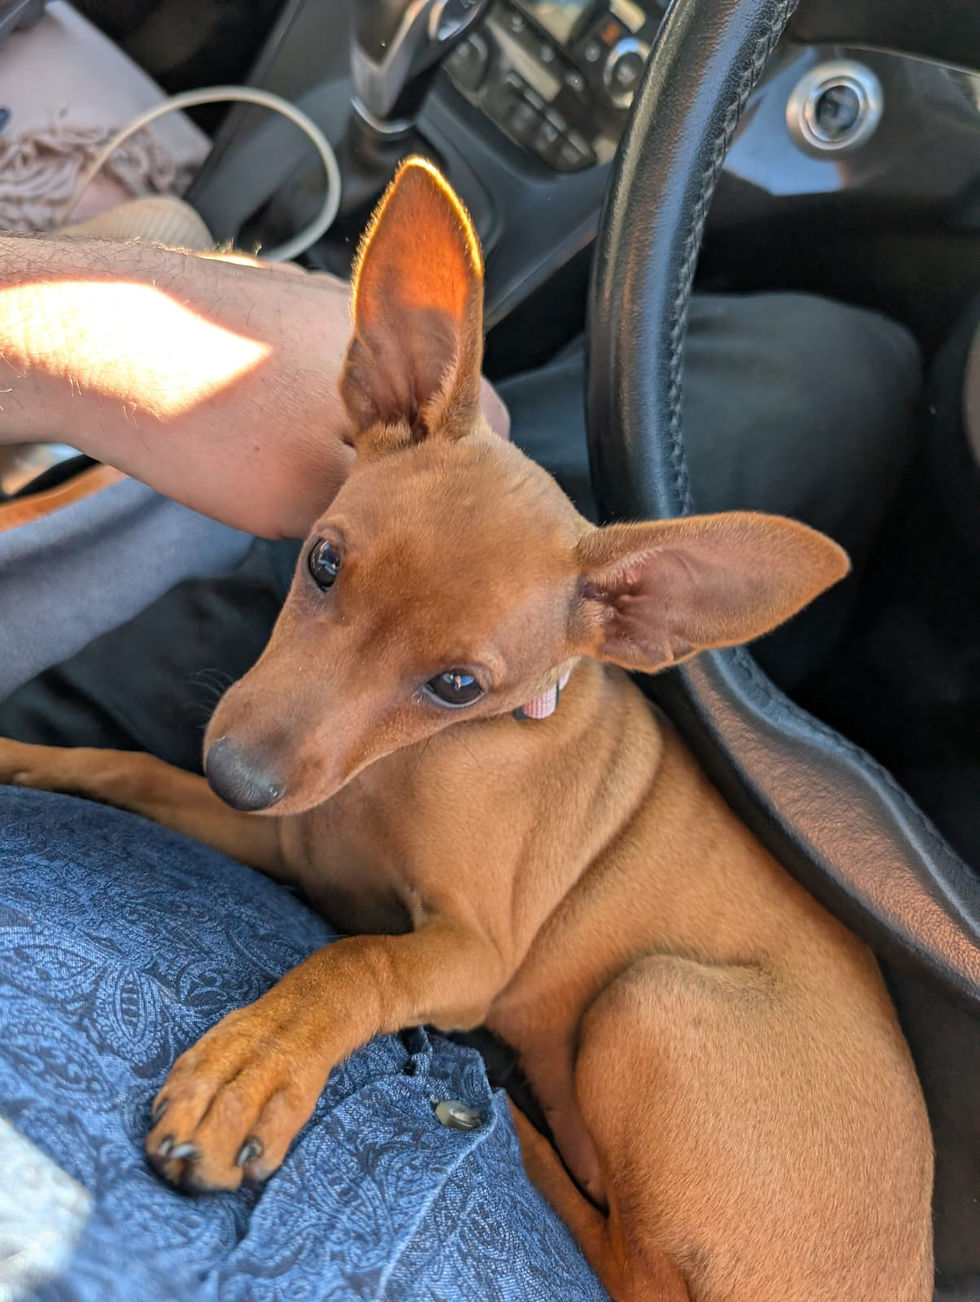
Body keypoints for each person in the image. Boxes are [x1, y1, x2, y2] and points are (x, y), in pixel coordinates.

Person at [0, 228, 921, 1299]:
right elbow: (296, 846)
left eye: (449, 684)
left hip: (761, 1160)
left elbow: (475, 963)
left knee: (655, 1013)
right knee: (840, 373)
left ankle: (613, 1254)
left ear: (636, 618)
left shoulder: (537, 723)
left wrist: (325, 1012)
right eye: (327, 567)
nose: (264, 746)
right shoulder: (422, 500)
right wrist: (63, 770)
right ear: (380, 383)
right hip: (644, 1120)